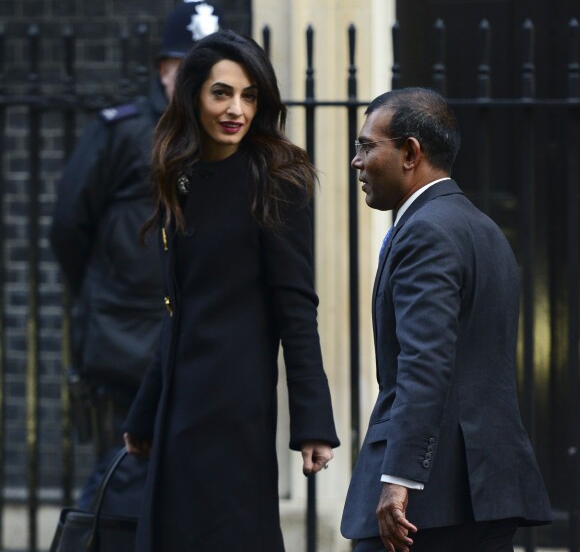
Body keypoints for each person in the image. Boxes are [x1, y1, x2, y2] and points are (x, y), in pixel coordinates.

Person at [122, 30, 340, 551]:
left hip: (234, 404)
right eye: (222, 93)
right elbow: (180, 307)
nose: (236, 109)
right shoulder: (181, 176)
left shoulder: (276, 178)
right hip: (179, 400)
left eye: (249, 96)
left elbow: (296, 306)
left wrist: (313, 421)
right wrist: (146, 409)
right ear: (194, 94)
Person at [340, 87, 552, 551]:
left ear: (411, 152)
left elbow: (425, 363)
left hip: (427, 505)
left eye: (366, 146)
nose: (357, 161)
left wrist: (398, 480)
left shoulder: (425, 233)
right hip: (487, 492)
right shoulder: (484, 229)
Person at [49, 0, 222, 512]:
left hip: (198, 345)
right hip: (125, 343)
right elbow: (67, 227)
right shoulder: (120, 132)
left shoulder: (229, 143)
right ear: (165, 69)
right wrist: (104, 292)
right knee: (121, 480)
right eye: (188, 67)